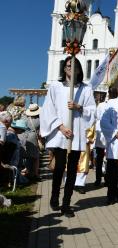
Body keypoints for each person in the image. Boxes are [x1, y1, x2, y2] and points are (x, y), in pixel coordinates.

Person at [40, 56, 96, 217]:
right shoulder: (55, 86)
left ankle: (66, 204)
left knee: (72, 171)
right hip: (60, 133)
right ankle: (54, 196)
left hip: (76, 135)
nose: (71, 67)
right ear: (64, 69)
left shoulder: (86, 89)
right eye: (68, 65)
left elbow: (93, 111)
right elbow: (49, 109)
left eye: (74, 65)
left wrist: (79, 107)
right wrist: (61, 127)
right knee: (58, 168)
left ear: (79, 70)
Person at [94, 87, 116, 186]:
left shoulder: (102, 105)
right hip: (107, 134)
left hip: (105, 134)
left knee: (101, 158)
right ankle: (106, 179)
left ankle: (99, 179)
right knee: (108, 158)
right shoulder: (113, 105)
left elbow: (97, 116)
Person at [74, 124, 95, 194]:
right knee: (72, 163)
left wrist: (88, 137)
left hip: (84, 141)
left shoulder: (87, 113)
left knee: (83, 163)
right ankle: (73, 182)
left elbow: (91, 123)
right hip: (72, 140)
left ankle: (80, 184)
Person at [24, 104, 42, 179]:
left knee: (28, 156)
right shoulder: (39, 120)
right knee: (36, 157)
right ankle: (36, 174)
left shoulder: (25, 118)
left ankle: (29, 172)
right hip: (34, 137)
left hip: (25, 136)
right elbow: (41, 133)